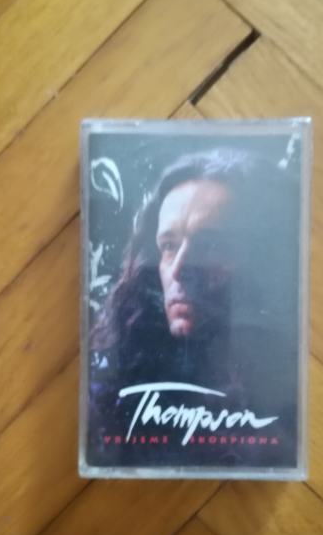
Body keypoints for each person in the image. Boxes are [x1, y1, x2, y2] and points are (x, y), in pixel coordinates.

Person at [87, 148, 299, 466]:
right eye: (169, 246)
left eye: (211, 245)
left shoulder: (288, 391)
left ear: (262, 259)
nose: (178, 269)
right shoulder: (109, 391)